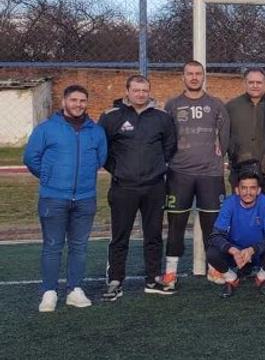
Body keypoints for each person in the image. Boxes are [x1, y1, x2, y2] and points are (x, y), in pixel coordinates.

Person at [24, 85, 108, 312]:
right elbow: (31, 157)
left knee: (79, 246)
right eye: (73, 100)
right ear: (64, 102)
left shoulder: (96, 131)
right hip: (53, 197)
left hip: (85, 198)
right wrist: (49, 176)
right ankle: (49, 291)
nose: (78, 104)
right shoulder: (47, 129)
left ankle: (75, 289)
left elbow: (101, 157)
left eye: (82, 100)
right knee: (52, 245)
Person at [98, 75, 177, 300]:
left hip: (154, 187)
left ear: (149, 91)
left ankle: (152, 279)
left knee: (153, 235)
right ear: (128, 91)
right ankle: (115, 280)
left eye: (144, 90)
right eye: (136, 90)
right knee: (120, 236)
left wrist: (156, 168)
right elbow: (103, 150)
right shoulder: (111, 117)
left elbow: (170, 147)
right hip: (124, 187)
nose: (140, 94)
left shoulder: (162, 117)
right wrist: (120, 170)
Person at [162, 61, 230, 291]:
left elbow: (225, 138)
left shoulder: (216, 105)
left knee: (212, 224)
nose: (193, 78)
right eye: (189, 74)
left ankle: (214, 267)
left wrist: (220, 158)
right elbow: (165, 137)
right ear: (182, 77)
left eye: (198, 74)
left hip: (210, 174)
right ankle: (170, 272)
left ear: (204, 76)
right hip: (179, 173)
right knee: (176, 225)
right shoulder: (172, 105)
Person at [206, 166, 265, 298]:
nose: (248, 192)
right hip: (236, 254)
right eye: (244, 188)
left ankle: (262, 278)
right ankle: (231, 278)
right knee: (212, 252)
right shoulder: (229, 203)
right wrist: (233, 250)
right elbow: (216, 235)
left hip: (258, 252)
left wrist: (252, 250)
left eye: (252, 188)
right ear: (237, 190)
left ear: (258, 190)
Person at [226, 67, 265, 201]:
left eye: (259, 82)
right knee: (242, 211)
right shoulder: (231, 107)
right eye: (251, 82)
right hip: (240, 168)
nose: (255, 86)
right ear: (245, 83)